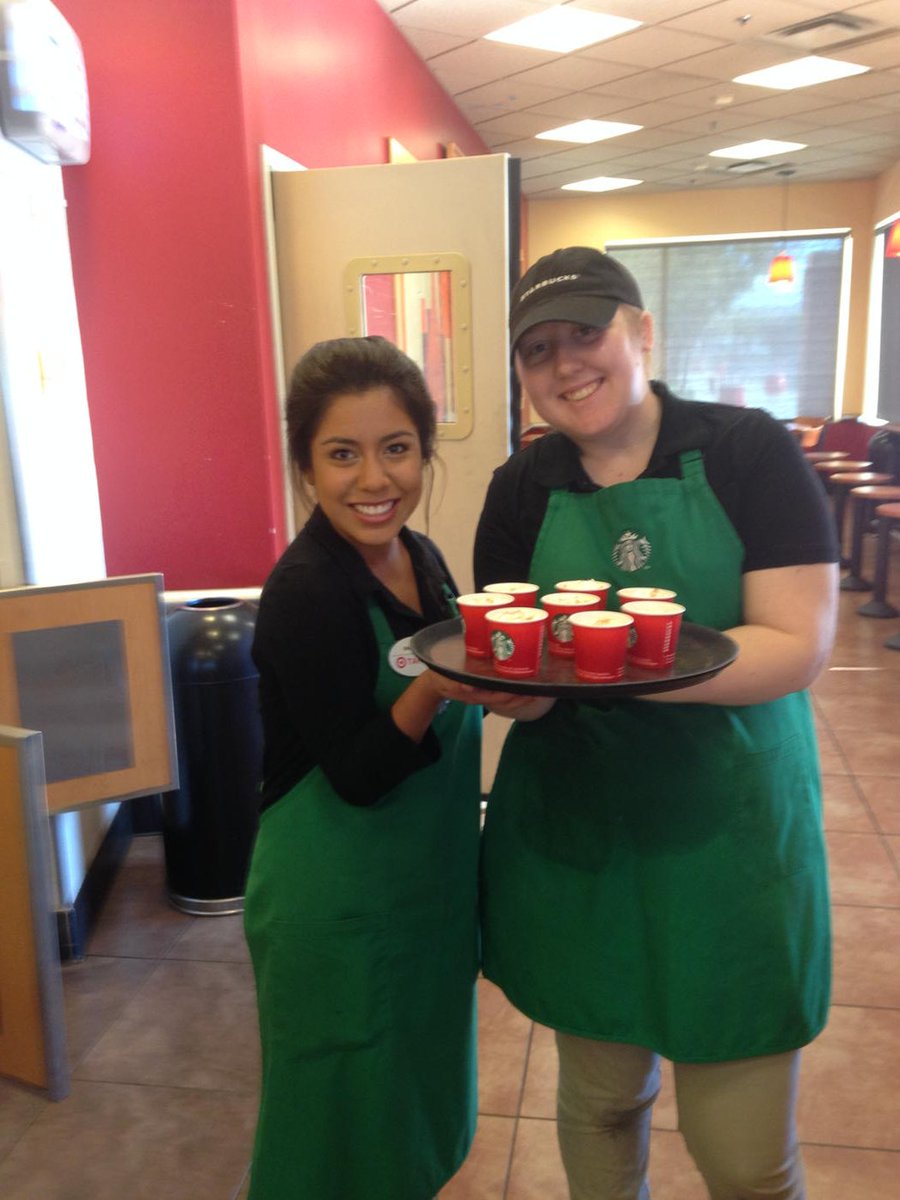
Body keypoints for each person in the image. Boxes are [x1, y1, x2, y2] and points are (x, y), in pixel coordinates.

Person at [473, 246, 839, 1200]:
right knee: (599, 1106)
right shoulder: (521, 487)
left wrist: (614, 667)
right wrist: (517, 690)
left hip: (729, 836)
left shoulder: (746, 450)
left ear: (642, 333)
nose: (565, 364)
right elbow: (527, 669)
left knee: (744, 1161)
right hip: (582, 838)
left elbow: (796, 645)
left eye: (586, 333)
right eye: (537, 349)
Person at [243, 335, 509, 1200]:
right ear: (305, 467)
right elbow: (357, 773)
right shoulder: (306, 592)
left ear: (424, 451)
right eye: (342, 454)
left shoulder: (422, 561)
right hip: (338, 905)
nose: (374, 480)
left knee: (408, 1103)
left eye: (396, 449)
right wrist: (438, 684)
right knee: (335, 1115)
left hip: (424, 894)